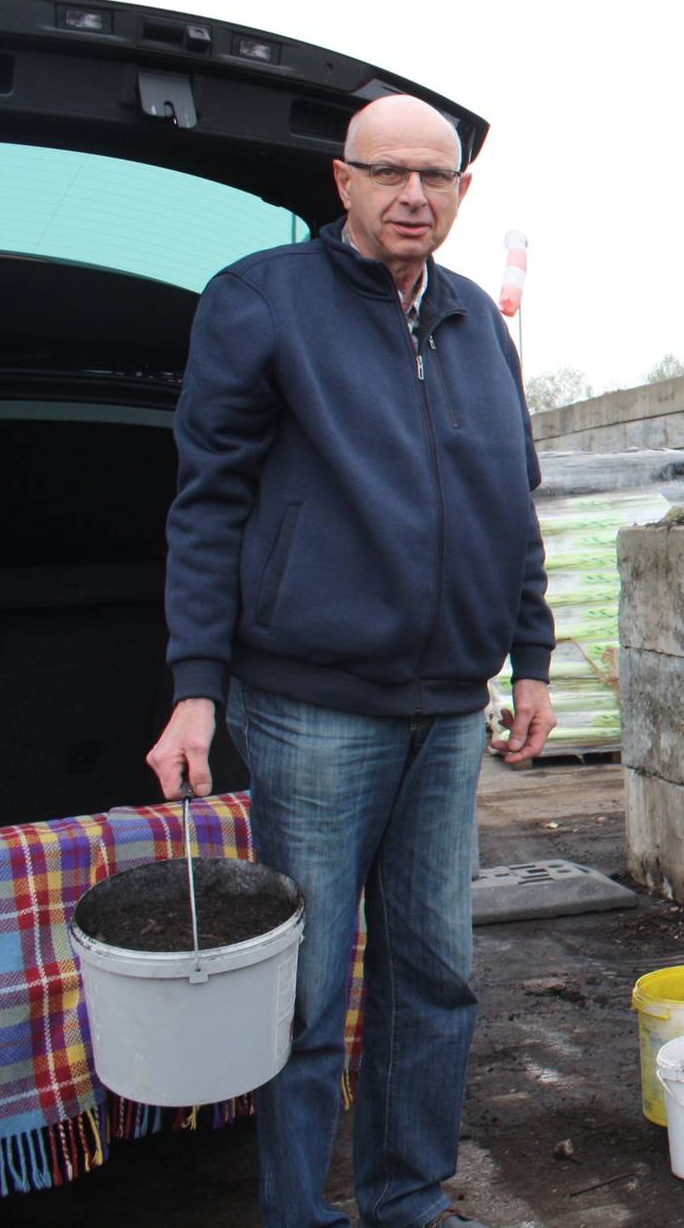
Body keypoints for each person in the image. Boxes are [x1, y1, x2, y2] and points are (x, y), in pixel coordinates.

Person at [145, 94, 555, 1228]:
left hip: (448, 709)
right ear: (344, 181)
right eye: (389, 173)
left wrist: (531, 657)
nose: (413, 195)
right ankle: (296, 1211)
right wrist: (195, 686)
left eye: (436, 177)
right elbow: (209, 502)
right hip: (313, 706)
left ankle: (407, 1195)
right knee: (308, 990)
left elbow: (507, 506)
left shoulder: (477, 321)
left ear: (463, 193)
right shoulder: (262, 301)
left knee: (436, 975)